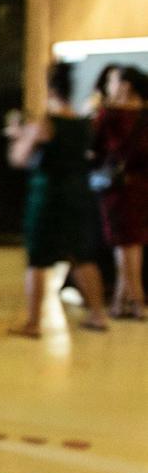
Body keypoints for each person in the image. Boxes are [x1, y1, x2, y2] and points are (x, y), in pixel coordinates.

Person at [8, 62, 109, 337]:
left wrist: (20, 135)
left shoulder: (46, 122)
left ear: (49, 87)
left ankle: (33, 323)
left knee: (38, 258)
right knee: (82, 254)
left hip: (48, 195)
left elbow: (19, 158)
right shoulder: (82, 123)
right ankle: (98, 314)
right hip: (78, 193)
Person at [93, 66, 148, 320]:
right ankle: (122, 298)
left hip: (118, 187)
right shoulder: (144, 116)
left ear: (125, 86)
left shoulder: (110, 116)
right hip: (141, 185)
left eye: (114, 82)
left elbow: (95, 146)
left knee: (124, 243)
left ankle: (134, 299)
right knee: (131, 243)